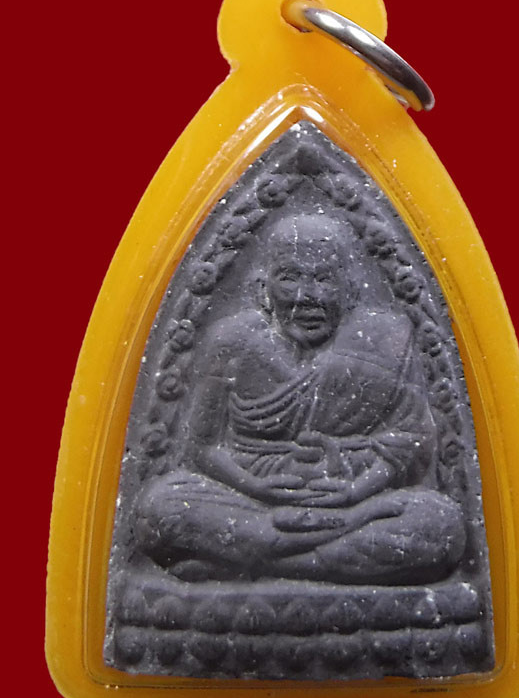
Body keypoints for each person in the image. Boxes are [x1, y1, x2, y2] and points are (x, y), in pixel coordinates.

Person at [136, 214, 466, 585]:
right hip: (251, 498)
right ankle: (321, 559)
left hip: (355, 499)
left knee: (441, 526)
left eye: (324, 279)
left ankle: (255, 560)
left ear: (350, 289)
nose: (308, 296)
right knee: (161, 509)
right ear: (262, 287)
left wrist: (354, 495)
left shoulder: (388, 340)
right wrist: (255, 487)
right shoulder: (231, 343)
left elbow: (411, 441)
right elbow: (202, 447)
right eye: (290, 278)